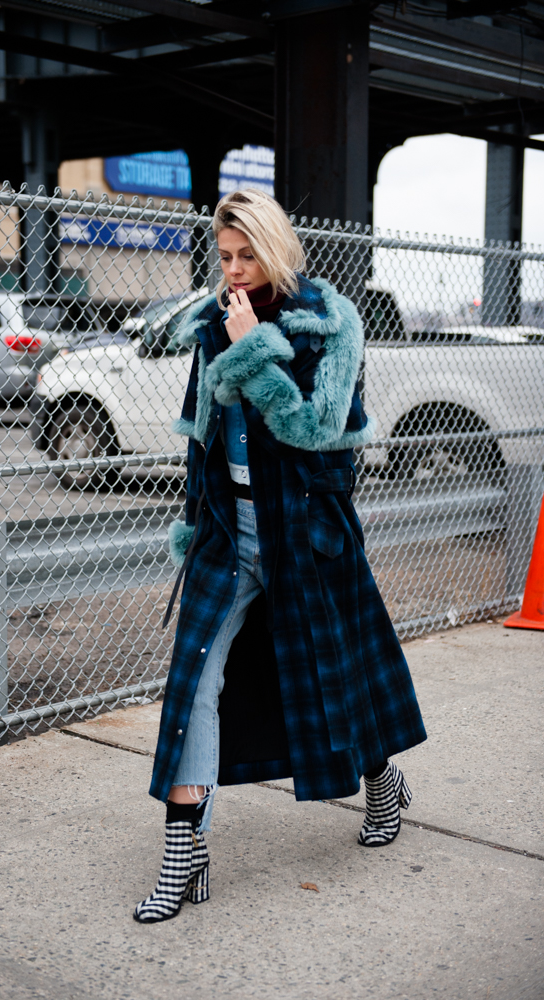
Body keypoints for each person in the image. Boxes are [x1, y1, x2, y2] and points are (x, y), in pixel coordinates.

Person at [133, 189, 426, 924]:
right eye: (225, 256)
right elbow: (202, 440)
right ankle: (183, 854)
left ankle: (381, 784)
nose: (234, 270)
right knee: (193, 685)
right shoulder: (213, 324)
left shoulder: (327, 321)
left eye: (247, 255)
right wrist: (192, 525)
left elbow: (319, 430)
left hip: (304, 533)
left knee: (335, 679)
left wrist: (254, 352)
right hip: (227, 533)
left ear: (276, 248)